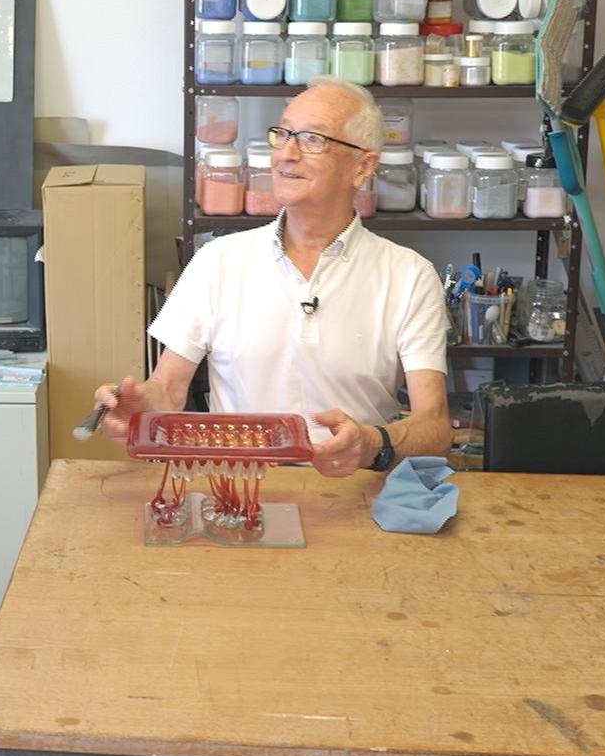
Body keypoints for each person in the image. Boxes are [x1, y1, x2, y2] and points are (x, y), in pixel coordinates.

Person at [97, 75, 453, 473]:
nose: (286, 154)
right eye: (282, 134)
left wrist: (373, 443)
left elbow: (435, 426)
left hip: (354, 493)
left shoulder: (409, 275)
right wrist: (139, 408)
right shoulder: (218, 260)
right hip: (238, 491)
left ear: (363, 166)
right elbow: (168, 388)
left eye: (312, 139)